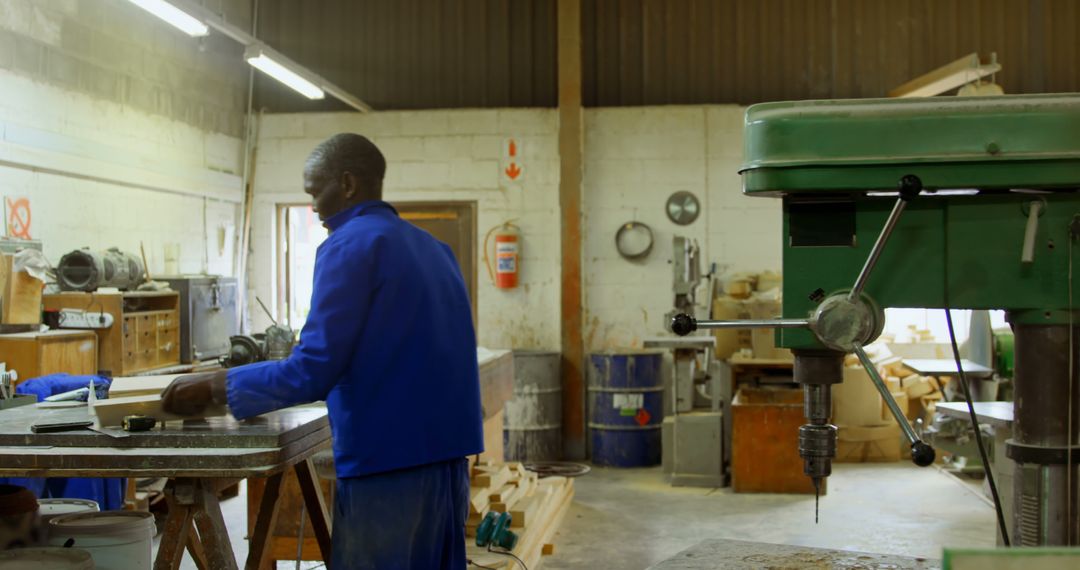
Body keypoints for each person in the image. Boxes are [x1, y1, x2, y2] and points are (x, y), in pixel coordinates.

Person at [162, 133, 484, 569]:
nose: (313, 205)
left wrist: (214, 386)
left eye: (316, 190)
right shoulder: (435, 249)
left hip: (386, 466)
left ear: (347, 183)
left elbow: (311, 371)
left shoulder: (349, 245)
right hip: (446, 464)